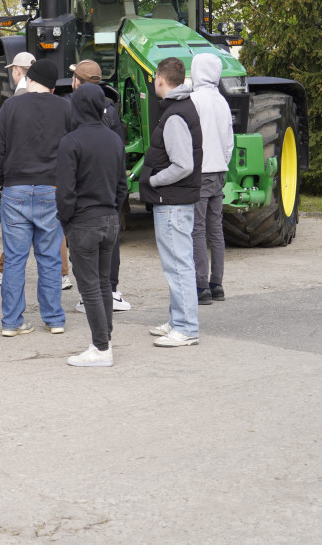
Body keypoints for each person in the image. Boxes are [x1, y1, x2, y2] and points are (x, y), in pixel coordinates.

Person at [0, 52, 72, 291]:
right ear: (52, 87)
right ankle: (54, 320)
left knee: (15, 259)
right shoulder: (65, 108)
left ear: (29, 79)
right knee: (49, 258)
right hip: (51, 187)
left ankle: (11, 323)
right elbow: (72, 149)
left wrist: (1, 182)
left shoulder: (11, 106)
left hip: (15, 188)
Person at [56, 83, 128, 366]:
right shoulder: (114, 140)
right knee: (102, 285)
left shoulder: (70, 142)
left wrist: (67, 219)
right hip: (110, 219)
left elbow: (65, 191)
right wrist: (111, 207)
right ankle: (104, 340)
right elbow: (123, 186)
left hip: (83, 221)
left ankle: (101, 348)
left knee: (89, 288)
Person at [141, 57, 202, 347]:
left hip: (172, 203)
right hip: (174, 201)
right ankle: (179, 320)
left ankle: (187, 328)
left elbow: (183, 165)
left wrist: (152, 181)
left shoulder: (175, 115)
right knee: (177, 264)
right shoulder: (180, 109)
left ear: (161, 80)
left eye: (154, 79)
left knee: (178, 266)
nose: (154, 83)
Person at [69, 59, 132, 313]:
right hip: (108, 191)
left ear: (77, 82)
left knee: (83, 244)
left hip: (83, 195)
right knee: (109, 243)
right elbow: (119, 152)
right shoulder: (111, 110)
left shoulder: (71, 109)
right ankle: (111, 290)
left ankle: (89, 295)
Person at [189, 53, 234, 305]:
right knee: (215, 229)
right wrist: (222, 163)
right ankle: (217, 284)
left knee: (197, 229)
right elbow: (229, 141)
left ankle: (200, 286)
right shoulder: (222, 102)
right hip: (219, 170)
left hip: (200, 171)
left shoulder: (193, 100)